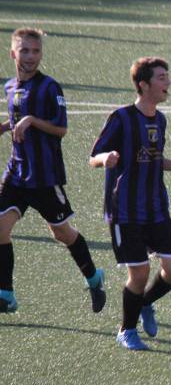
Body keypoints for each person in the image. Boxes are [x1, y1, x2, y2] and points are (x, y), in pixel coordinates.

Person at [89, 57, 171, 350]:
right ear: (143, 85)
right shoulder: (121, 118)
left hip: (156, 209)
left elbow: (155, 160)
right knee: (140, 272)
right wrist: (104, 159)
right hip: (125, 211)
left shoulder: (160, 119)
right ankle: (126, 329)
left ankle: (144, 303)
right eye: (161, 78)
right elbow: (93, 156)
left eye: (166, 77)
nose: (167, 82)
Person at [0, 28, 105, 314]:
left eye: (35, 51)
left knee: (62, 233)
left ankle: (94, 278)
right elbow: (18, 117)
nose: (30, 56)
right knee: (1, 227)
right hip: (16, 174)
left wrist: (31, 120)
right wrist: (7, 126)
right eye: (24, 51)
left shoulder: (49, 88)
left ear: (41, 54)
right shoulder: (10, 87)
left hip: (45, 177)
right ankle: (6, 294)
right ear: (13, 53)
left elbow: (61, 129)